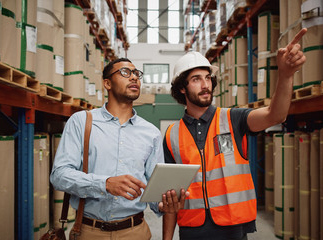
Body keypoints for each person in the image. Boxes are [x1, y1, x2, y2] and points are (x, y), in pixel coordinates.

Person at [162, 28, 308, 240]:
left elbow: (274, 115)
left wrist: (285, 75)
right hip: (192, 230)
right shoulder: (171, 135)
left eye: (208, 78)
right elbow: (170, 196)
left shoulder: (234, 119)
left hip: (233, 228)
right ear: (182, 88)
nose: (205, 85)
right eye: (196, 79)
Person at [50, 57, 186, 240]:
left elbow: (153, 189)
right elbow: (59, 175)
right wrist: (104, 184)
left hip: (135, 231)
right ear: (107, 83)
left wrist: (163, 204)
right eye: (125, 72)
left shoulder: (151, 133)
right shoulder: (82, 121)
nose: (134, 78)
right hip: (89, 231)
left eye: (137, 74)